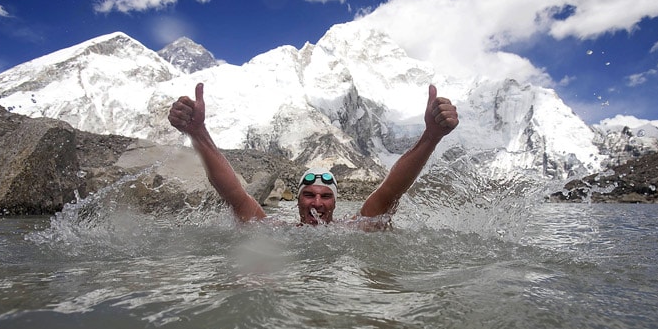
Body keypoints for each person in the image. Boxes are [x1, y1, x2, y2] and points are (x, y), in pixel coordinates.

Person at [168, 83, 458, 226]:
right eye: (309, 195)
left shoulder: (354, 229)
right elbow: (233, 193)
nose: (317, 203)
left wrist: (431, 136)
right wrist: (198, 133)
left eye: (325, 196)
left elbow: (391, 191)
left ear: (336, 202)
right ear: (297, 201)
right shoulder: (276, 230)